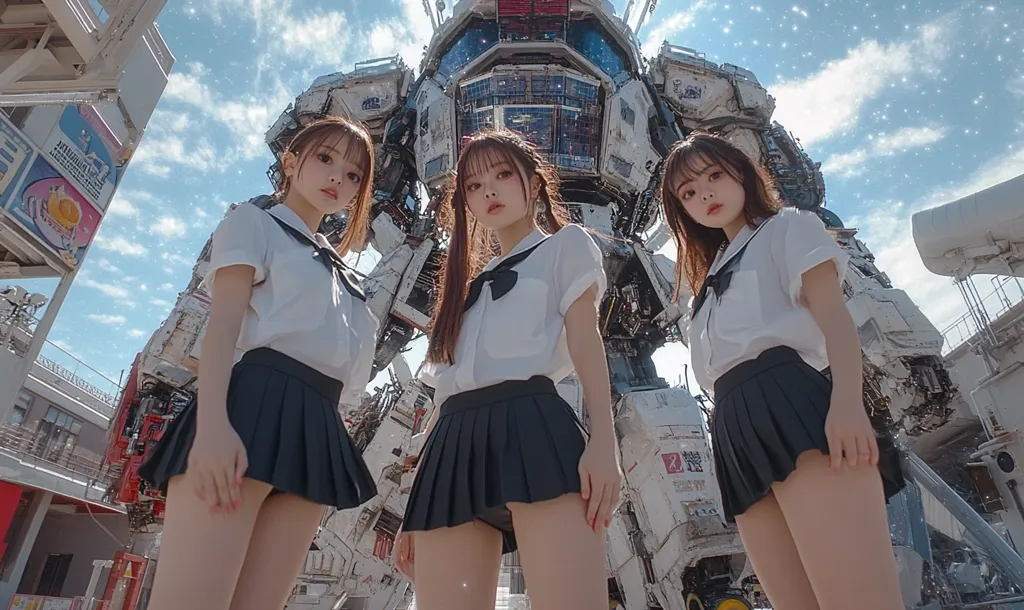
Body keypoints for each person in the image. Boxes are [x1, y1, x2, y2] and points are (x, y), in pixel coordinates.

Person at [138, 116, 381, 610]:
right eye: (325, 158)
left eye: (354, 174)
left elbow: (350, 382)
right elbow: (222, 328)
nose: (338, 177)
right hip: (250, 409)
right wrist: (212, 429)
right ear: (290, 163)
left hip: (318, 429)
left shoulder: (349, 280)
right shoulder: (254, 223)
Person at [660, 131, 906, 609]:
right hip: (734, 431)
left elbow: (835, 320)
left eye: (714, 175)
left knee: (859, 599)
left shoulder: (788, 228)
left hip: (794, 406)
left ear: (742, 173)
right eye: (688, 192)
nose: (705, 194)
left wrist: (848, 404)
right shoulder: (703, 287)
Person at [391, 128, 622, 610]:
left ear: (534, 184)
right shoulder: (465, 287)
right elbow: (444, 394)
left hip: (532, 426)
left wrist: (604, 442)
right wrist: (413, 504)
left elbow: (586, 341)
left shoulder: (566, 246)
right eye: (474, 186)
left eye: (501, 175)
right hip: (450, 444)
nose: (488, 191)